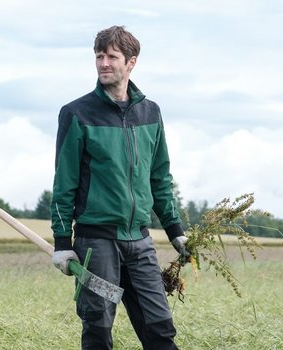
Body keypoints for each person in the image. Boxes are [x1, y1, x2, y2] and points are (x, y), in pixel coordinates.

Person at [50, 25, 189, 350]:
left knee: (159, 326)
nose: (104, 64)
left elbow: (160, 178)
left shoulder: (150, 113)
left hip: (138, 241)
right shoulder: (77, 114)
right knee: (98, 327)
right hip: (95, 243)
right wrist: (61, 241)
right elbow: (64, 183)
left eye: (112, 56)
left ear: (131, 62)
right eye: (99, 56)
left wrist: (175, 229)